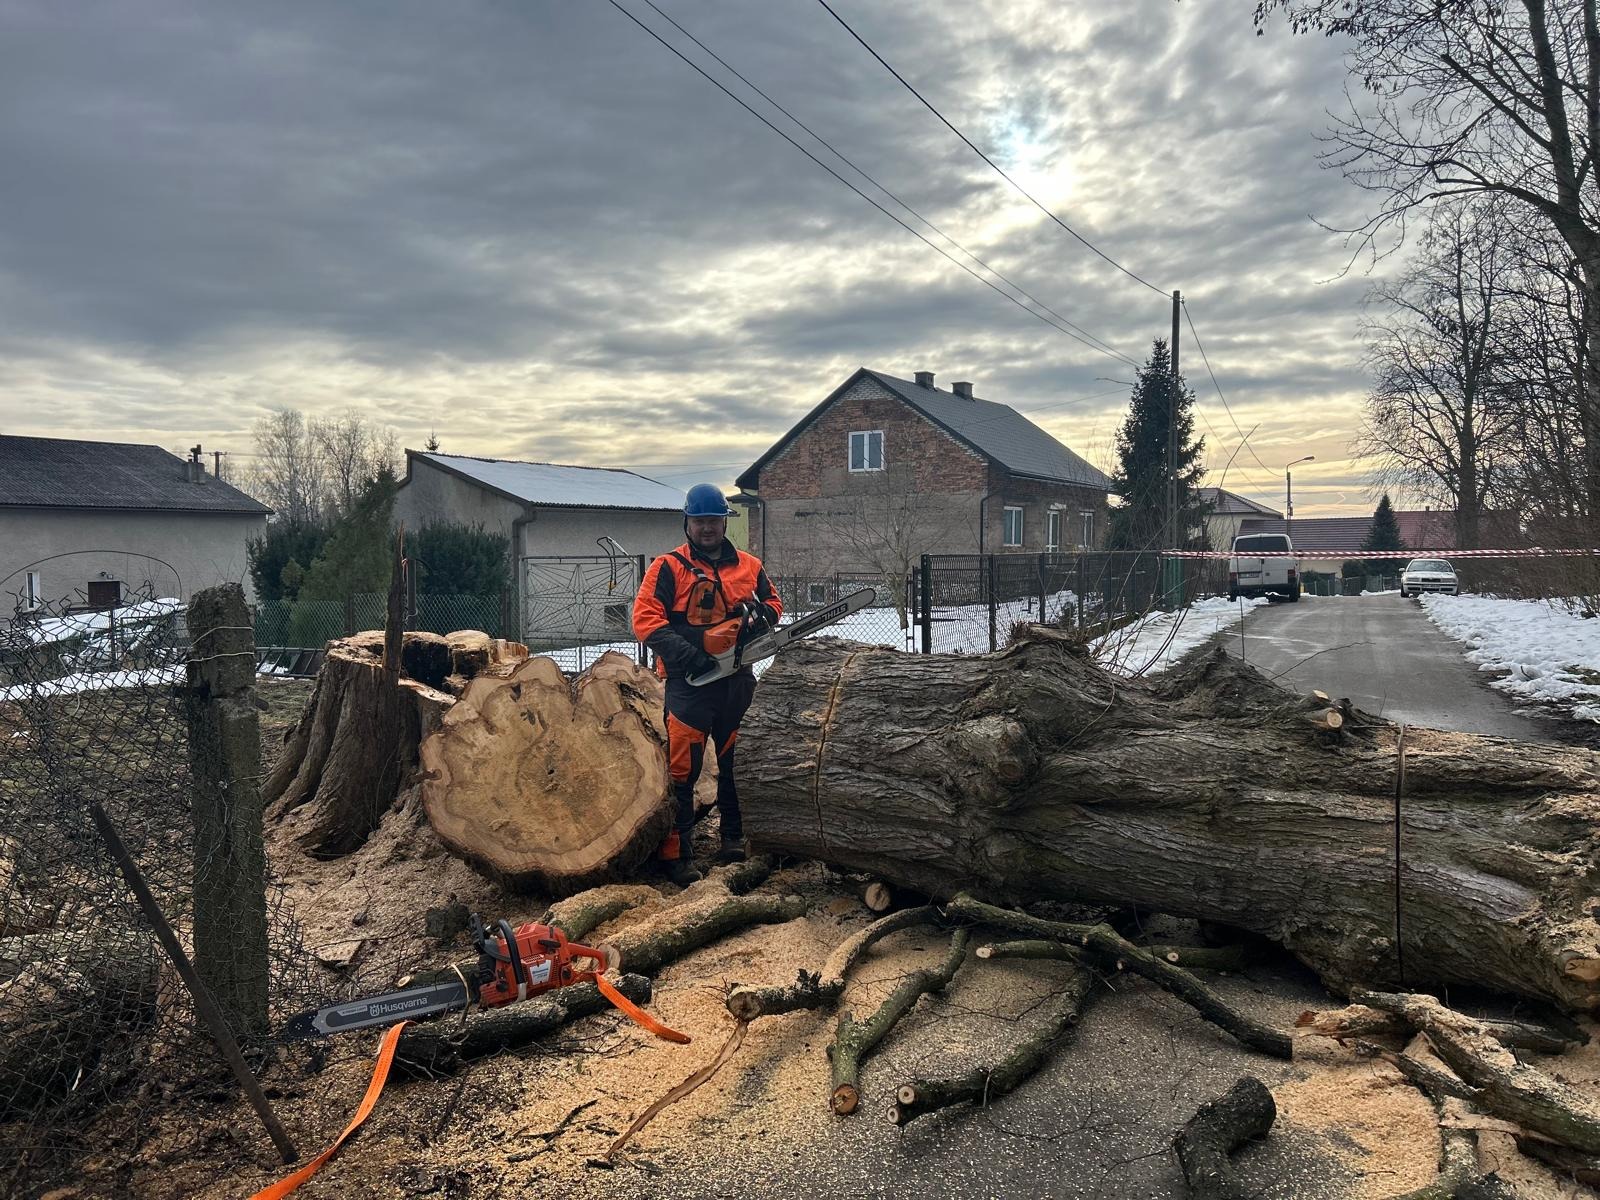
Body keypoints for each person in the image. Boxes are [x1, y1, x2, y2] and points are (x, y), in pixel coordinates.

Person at [632, 483, 782, 885]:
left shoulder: (749, 565)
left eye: (713, 520)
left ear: (723, 522)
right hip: (689, 684)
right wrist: (691, 654)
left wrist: (758, 617)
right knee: (683, 771)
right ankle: (676, 853)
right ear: (688, 523)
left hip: (736, 681)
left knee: (737, 762)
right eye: (700, 521)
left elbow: (775, 604)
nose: (707, 528)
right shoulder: (668, 568)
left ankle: (734, 838)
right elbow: (645, 621)